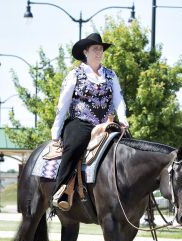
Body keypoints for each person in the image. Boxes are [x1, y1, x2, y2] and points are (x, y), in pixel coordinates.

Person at [51, 33, 129, 211]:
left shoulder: (111, 75)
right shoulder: (74, 75)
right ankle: (60, 191)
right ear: (85, 52)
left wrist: (123, 120)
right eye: (95, 49)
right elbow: (62, 105)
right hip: (80, 122)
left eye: (101, 49)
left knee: (128, 147)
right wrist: (55, 133)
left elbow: (118, 100)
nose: (99, 52)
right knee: (74, 147)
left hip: (105, 125)